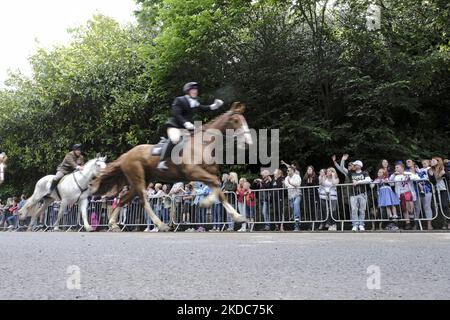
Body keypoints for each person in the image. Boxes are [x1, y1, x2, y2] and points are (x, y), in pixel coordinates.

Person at [157, 82, 224, 170]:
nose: (195, 91)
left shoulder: (194, 102)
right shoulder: (179, 100)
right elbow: (176, 114)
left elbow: (204, 108)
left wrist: (215, 106)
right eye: (193, 90)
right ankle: (162, 161)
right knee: (175, 138)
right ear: (188, 91)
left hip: (186, 129)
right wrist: (186, 123)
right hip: (174, 126)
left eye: (196, 90)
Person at [390, 163, 420, 230]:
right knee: (404, 209)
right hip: (400, 193)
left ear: (402, 168)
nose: (396, 169)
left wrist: (409, 177)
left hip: (408, 192)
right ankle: (407, 223)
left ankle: (411, 215)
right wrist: (393, 175)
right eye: (395, 168)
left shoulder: (407, 173)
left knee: (408, 203)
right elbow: (390, 183)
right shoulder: (395, 176)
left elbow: (417, 177)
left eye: (397, 167)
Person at [348, 160, 372, 231]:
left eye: (355, 165)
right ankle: (355, 225)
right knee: (354, 210)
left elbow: (368, 180)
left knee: (362, 210)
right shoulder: (351, 173)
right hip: (353, 194)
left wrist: (358, 182)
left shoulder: (364, 172)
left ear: (360, 166)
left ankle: (361, 224)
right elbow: (342, 169)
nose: (354, 166)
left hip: (362, 193)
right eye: (354, 165)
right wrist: (343, 160)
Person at [428, 157, 450, 229]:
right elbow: (433, 182)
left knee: (445, 205)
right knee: (439, 207)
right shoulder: (430, 170)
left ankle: (448, 222)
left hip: (444, 189)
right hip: (435, 190)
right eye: (431, 161)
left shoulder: (443, 168)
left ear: (438, 161)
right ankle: (444, 223)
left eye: (433, 161)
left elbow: (448, 177)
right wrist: (432, 176)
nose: (432, 162)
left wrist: (444, 173)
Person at [284, 166, 302, 231]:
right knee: (294, 209)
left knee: (296, 205)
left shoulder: (297, 176)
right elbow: (286, 185)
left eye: (288, 170)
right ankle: (297, 222)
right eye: (287, 170)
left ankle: (296, 225)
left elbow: (298, 184)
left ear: (292, 171)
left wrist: (290, 183)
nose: (287, 172)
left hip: (297, 195)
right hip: (290, 196)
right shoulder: (286, 178)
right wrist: (290, 184)